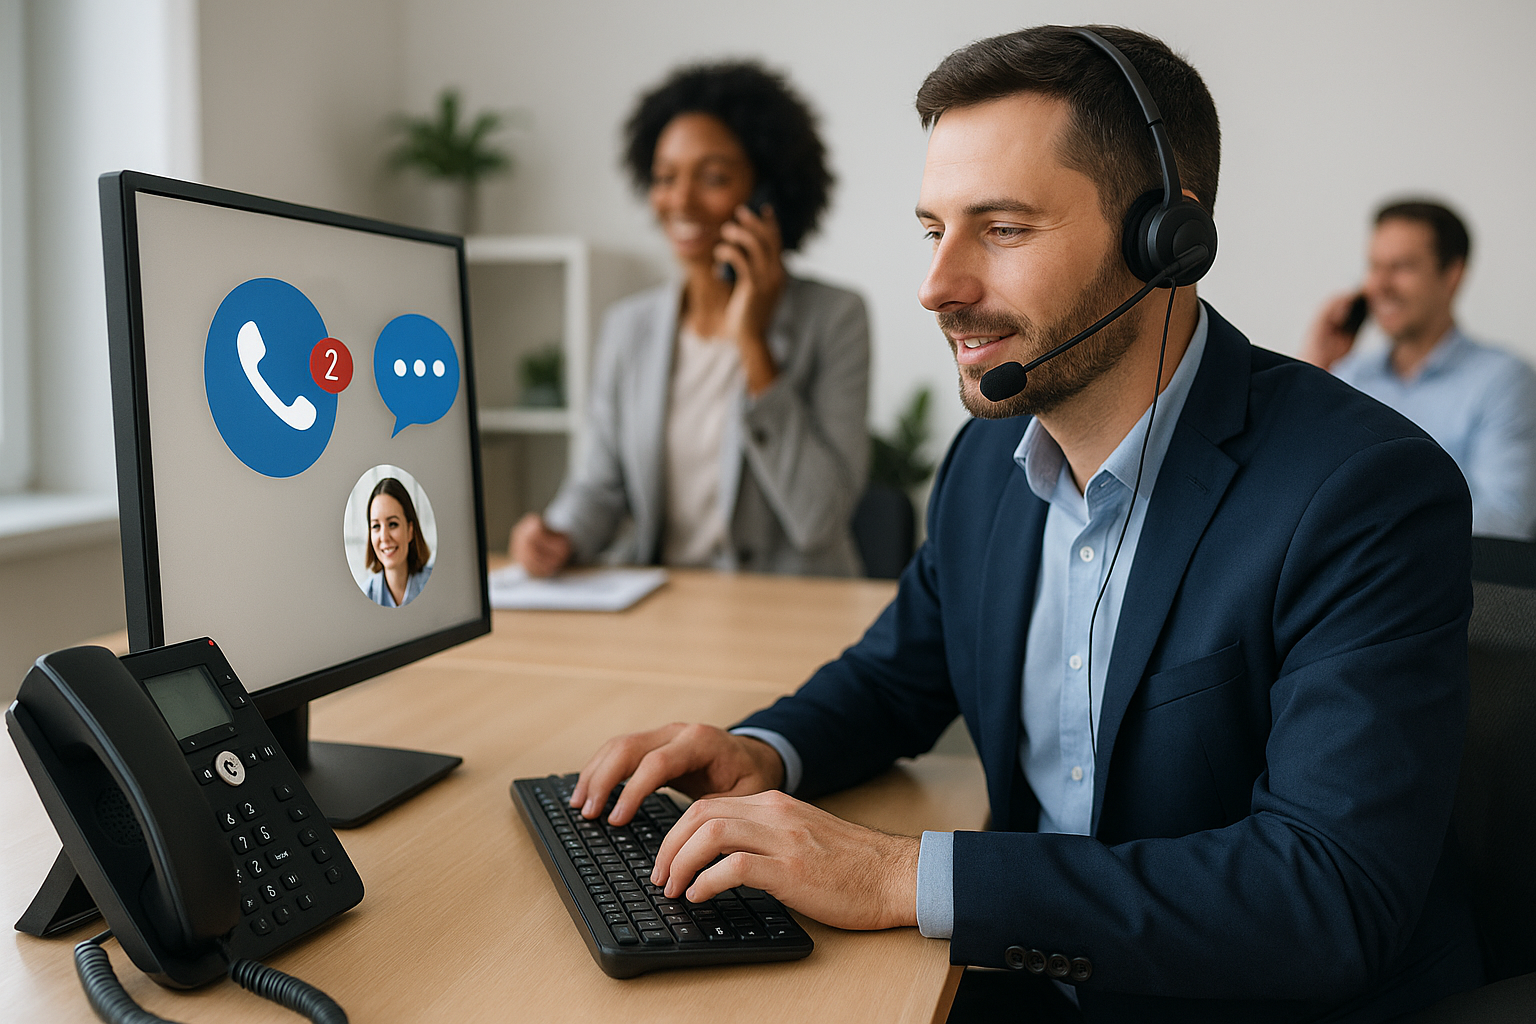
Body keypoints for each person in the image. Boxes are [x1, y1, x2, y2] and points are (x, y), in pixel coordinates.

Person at [567, 26, 1482, 1023]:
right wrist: (764, 749)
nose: (938, 285)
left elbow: (1326, 897)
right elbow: (897, 673)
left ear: (1168, 239)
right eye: (933, 230)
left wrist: (896, 876)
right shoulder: (988, 464)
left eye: (1001, 230)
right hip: (1020, 978)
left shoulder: (1361, 491)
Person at [510, 62, 870, 578]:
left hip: (791, 610)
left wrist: (752, 343)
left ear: (768, 194)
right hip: (667, 610)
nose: (679, 200)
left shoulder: (835, 319)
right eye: (665, 178)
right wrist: (559, 535)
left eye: (714, 177)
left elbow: (819, 519)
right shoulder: (627, 327)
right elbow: (599, 485)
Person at [1302, 200, 1536, 538]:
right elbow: (1294, 487)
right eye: (1374, 267)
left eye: (1401, 267)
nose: (1379, 286)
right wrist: (1315, 365)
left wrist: (1371, 524)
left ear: (1452, 275)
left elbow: (1507, 519)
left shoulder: (1503, 382)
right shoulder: (1349, 377)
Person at [363, 477, 432, 608]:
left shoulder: (437, 585)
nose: (384, 537)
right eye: (376, 526)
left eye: (393, 524)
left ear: (410, 531)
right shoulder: (365, 595)